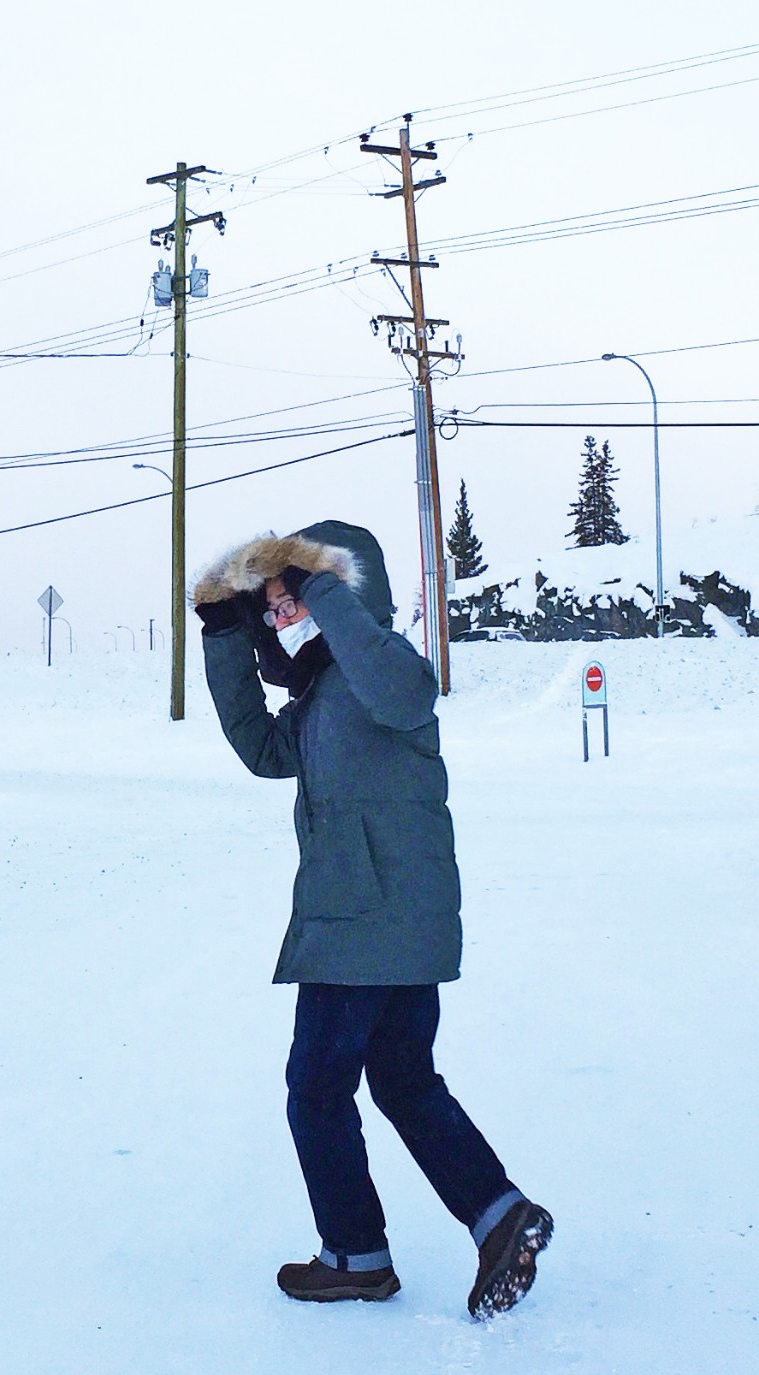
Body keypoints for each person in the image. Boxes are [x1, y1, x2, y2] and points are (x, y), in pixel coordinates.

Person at [191, 519, 552, 1318]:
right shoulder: (324, 693)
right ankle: (500, 1216)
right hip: (384, 925)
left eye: (293, 599)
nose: (282, 617)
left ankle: (355, 1253)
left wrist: (317, 586)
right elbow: (259, 748)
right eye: (276, 607)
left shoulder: (385, 672)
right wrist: (225, 631)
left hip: (361, 927)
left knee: (316, 1089)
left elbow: (404, 688)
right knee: (402, 1079)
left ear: (339, 592)